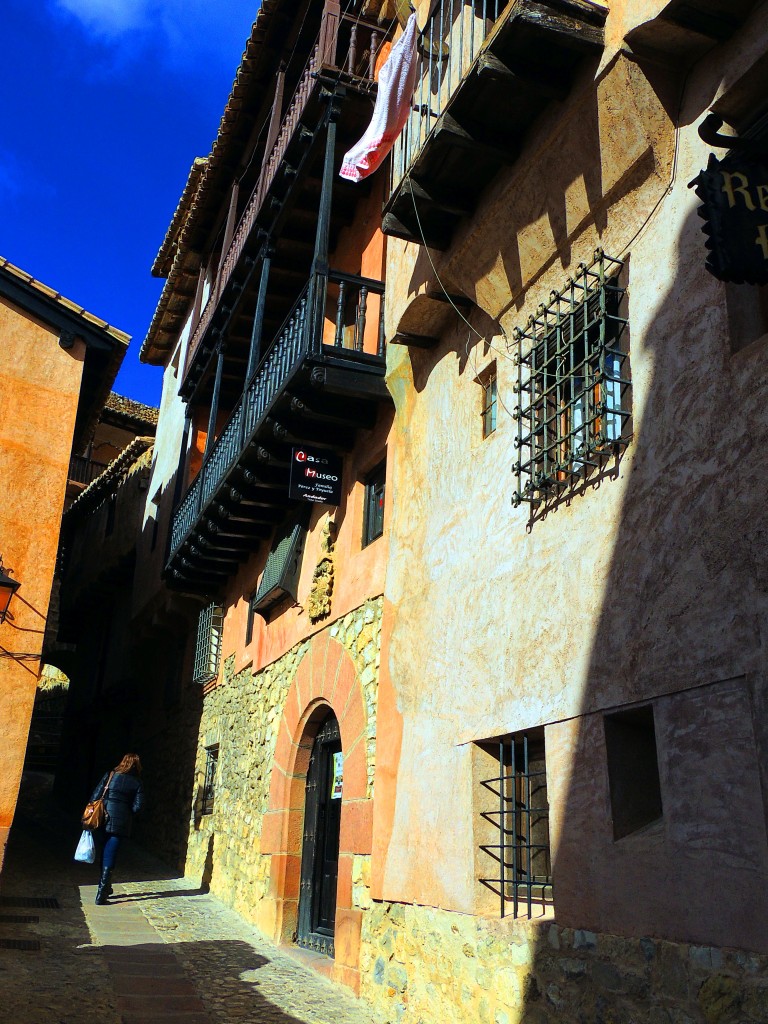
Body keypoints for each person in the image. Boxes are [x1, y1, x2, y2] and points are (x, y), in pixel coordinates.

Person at [89, 753, 145, 905]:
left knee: (104, 851)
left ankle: (104, 887)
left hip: (103, 817)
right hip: (121, 821)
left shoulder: (110, 775)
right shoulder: (137, 782)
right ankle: (103, 891)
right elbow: (138, 806)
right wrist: (128, 812)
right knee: (110, 853)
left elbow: (96, 794)